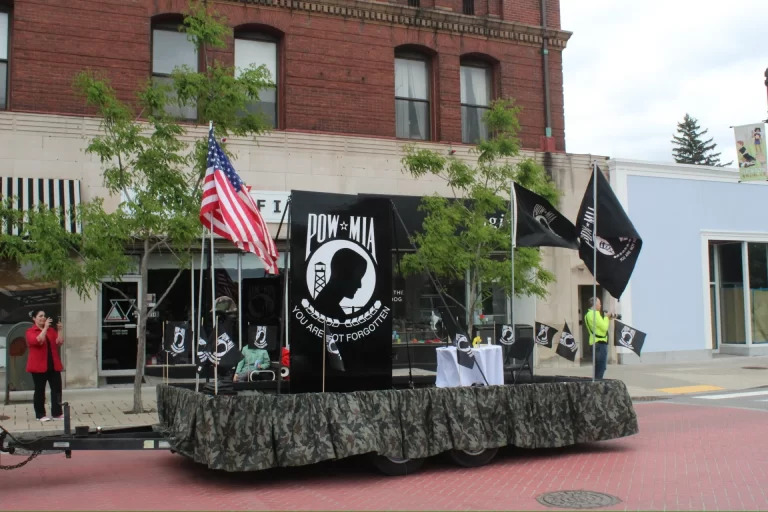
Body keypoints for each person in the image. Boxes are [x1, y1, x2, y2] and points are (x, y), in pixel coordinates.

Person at [25, 309, 64, 421]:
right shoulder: (31, 331)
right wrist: (45, 328)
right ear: (34, 318)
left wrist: (60, 330)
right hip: (38, 366)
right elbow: (37, 341)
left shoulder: (51, 330)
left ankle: (57, 413)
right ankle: (40, 414)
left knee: (57, 389)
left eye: (44, 316)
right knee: (40, 390)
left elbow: (59, 342)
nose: (43, 318)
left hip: (53, 364)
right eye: (40, 316)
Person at [584, 297, 615, 380]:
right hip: (600, 343)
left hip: (594, 342)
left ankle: (596, 383)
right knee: (601, 367)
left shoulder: (588, 315)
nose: (601, 305)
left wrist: (607, 318)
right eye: (599, 303)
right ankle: (597, 385)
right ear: (595, 304)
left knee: (598, 367)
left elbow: (599, 327)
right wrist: (606, 317)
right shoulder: (594, 314)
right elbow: (604, 327)